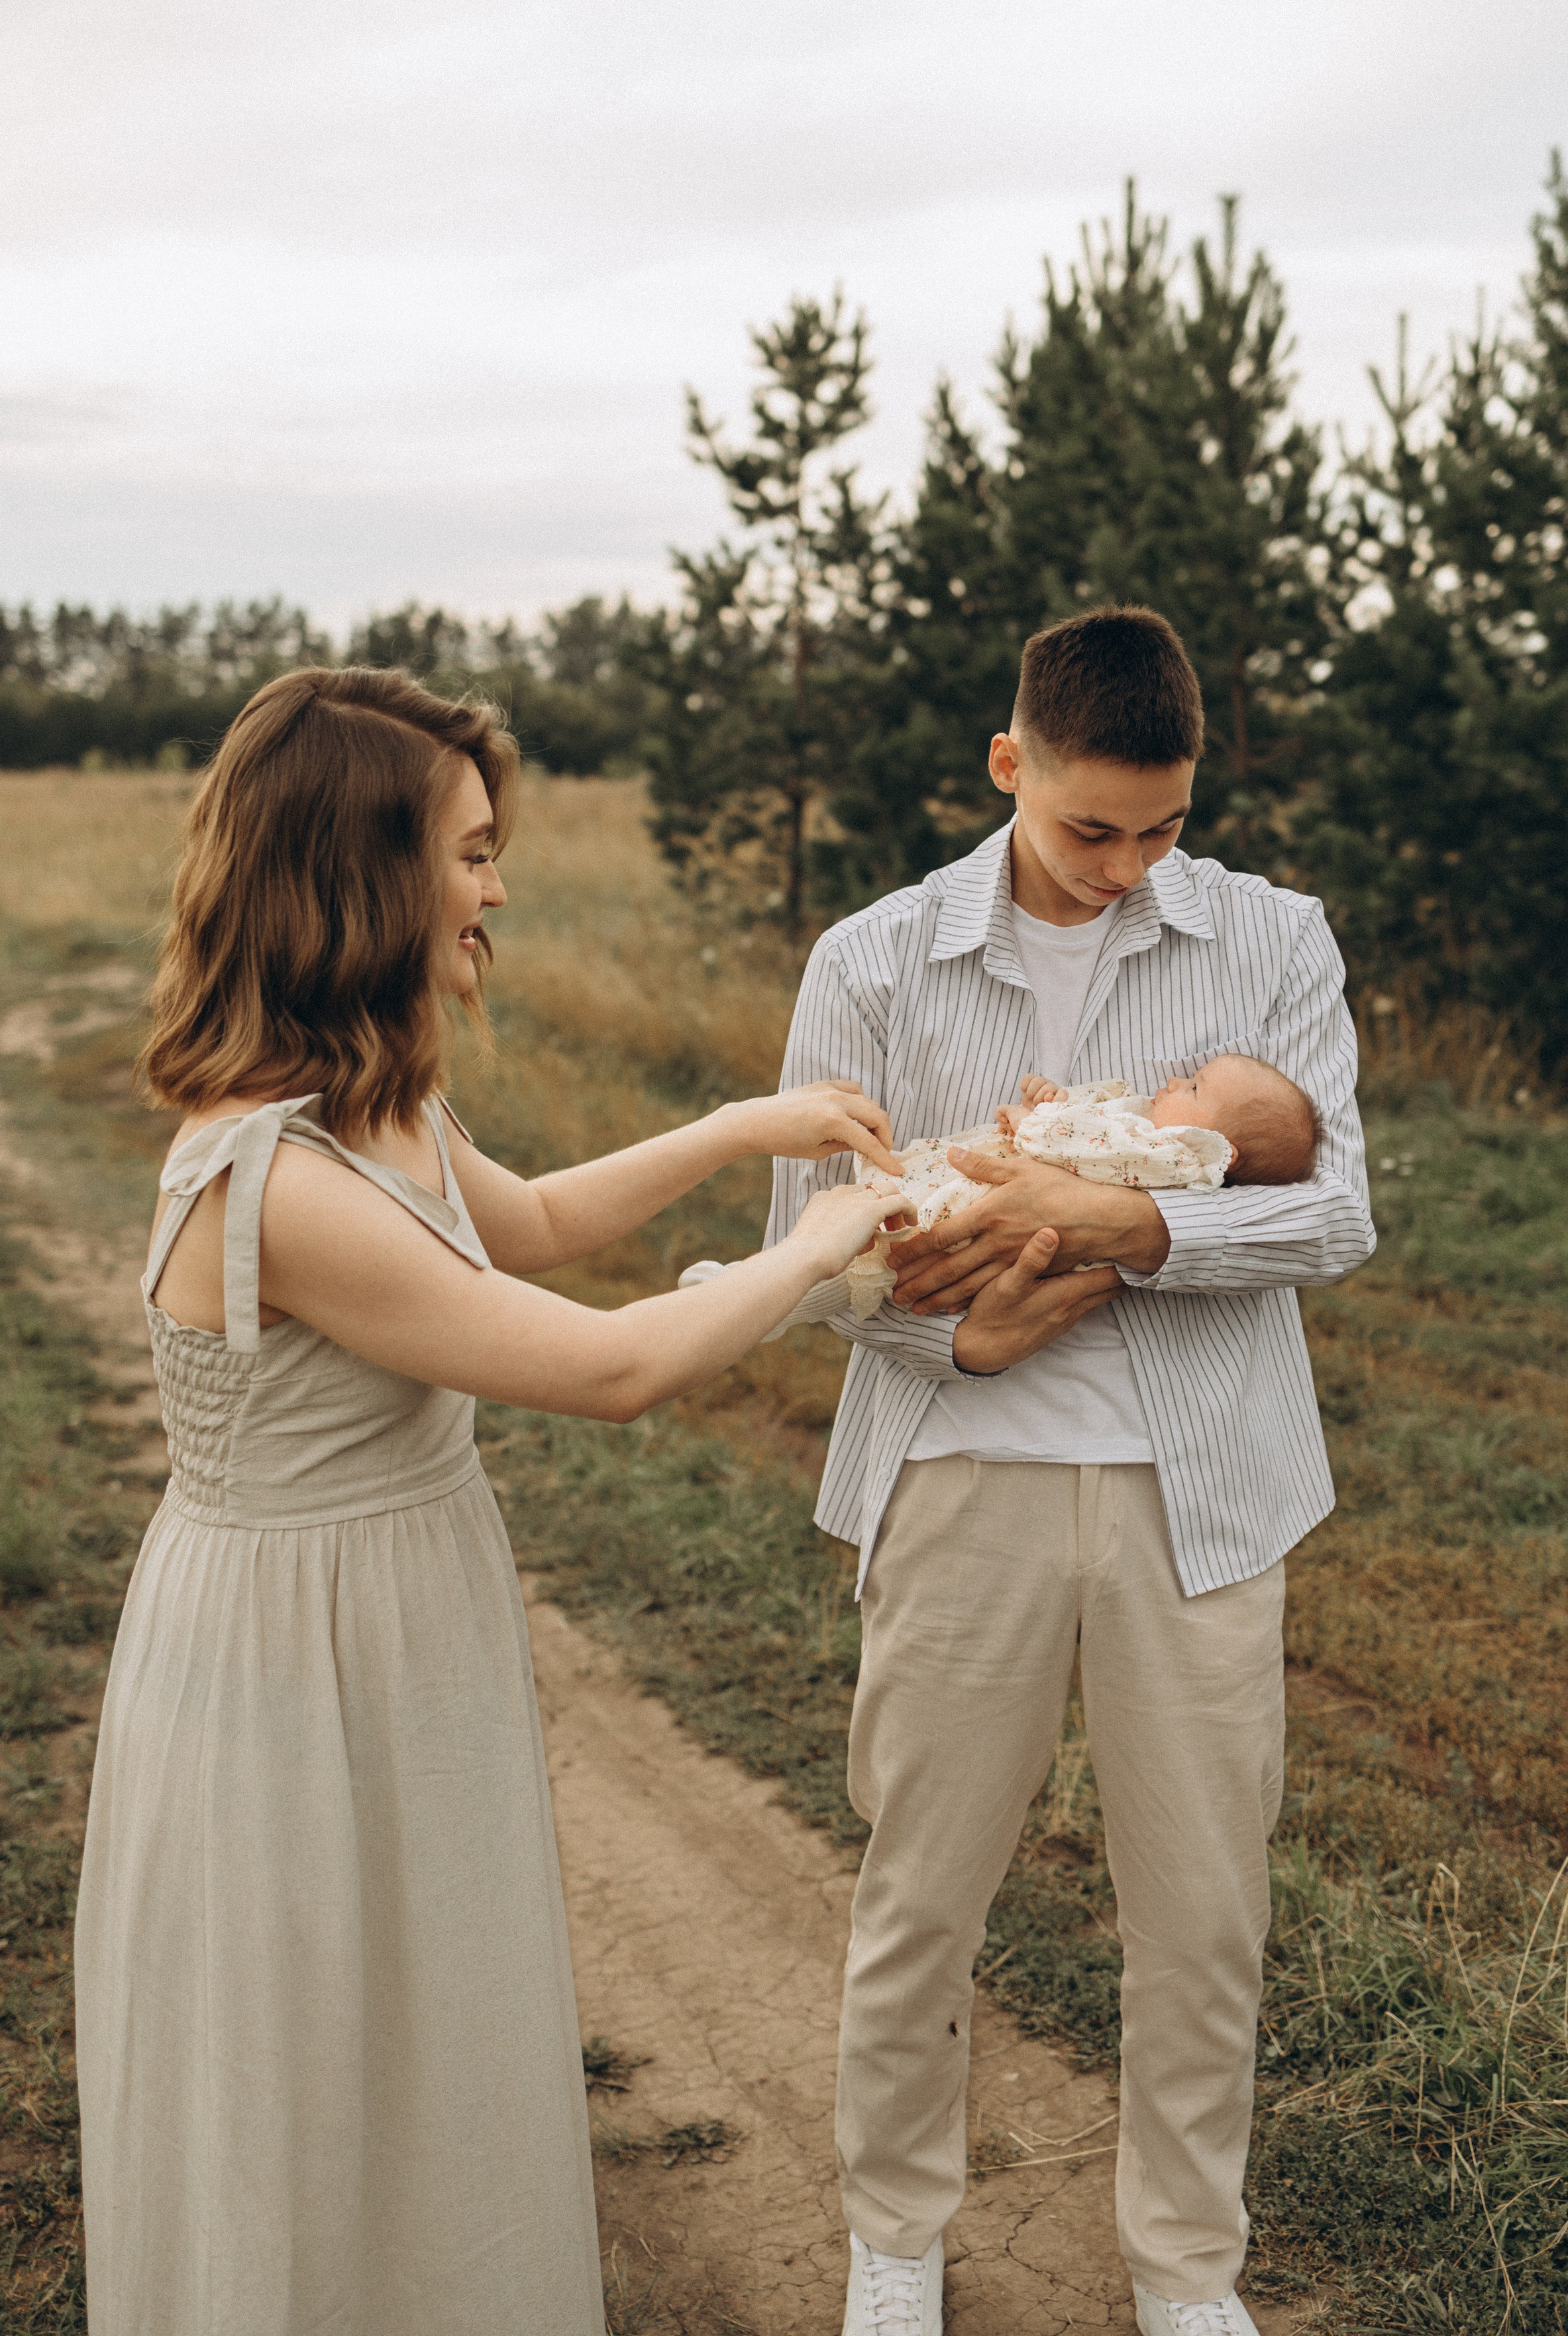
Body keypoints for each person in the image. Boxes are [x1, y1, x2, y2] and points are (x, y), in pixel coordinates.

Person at [73, 666, 901, 2336]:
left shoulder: (373, 1105)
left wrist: (743, 1127)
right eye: (466, 853)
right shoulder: (275, 1177)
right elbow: (607, 1368)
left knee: (426, 2031)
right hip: (286, 1666)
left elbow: (527, 1225)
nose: (496, 888)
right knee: (313, 2060)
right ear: (360, 877)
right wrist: (820, 1247)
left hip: (397, 1613)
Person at [762, 608, 1376, 2336]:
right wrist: (963, 1342)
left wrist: (1117, 1223)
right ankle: (896, 2239)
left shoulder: (1273, 938)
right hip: (962, 1473)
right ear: (1007, 766)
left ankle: (1186, 2272)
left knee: (1204, 1916)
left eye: (1162, 830)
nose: (1124, 869)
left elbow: (1335, 1211)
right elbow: (804, 1255)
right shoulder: (872, 960)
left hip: (1207, 1494)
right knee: (921, 1892)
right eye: (1089, 829)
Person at [1003, 1053, 1322, 1185]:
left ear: (1214, 1147)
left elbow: (1081, 1146)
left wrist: (1030, 1121)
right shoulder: (1148, 1133)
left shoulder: (1169, 1160)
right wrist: (1056, 1102)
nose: (1173, 1082)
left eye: (1194, 1088)